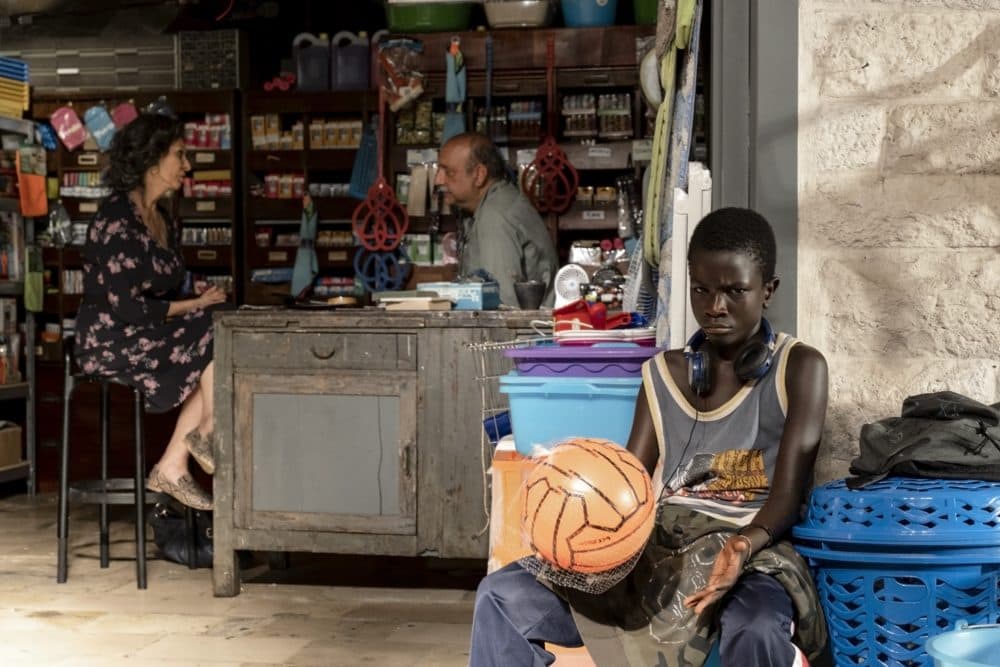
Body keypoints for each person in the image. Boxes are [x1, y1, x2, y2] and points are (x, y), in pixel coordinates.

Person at [470, 207, 830, 666]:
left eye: (734, 291)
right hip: (661, 545)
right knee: (501, 595)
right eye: (702, 290)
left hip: (753, 546)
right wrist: (572, 515)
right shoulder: (660, 374)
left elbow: (789, 493)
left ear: (768, 291)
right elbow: (630, 480)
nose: (715, 307)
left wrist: (741, 545)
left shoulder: (799, 368)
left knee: (756, 627)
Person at [75, 113, 226, 511]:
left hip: (145, 332)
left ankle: (174, 463)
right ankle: (205, 434)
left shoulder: (161, 219)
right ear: (153, 159)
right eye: (181, 154)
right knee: (212, 327)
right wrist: (195, 306)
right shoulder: (115, 219)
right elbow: (127, 306)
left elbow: (167, 290)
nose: (188, 165)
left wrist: (198, 298)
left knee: (222, 327)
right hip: (109, 340)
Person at [434, 132, 559, 308]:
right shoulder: (490, 205)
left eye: (449, 172)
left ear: (479, 175)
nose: (438, 179)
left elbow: (501, 306)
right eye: (439, 170)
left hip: (525, 333)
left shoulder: (495, 216)